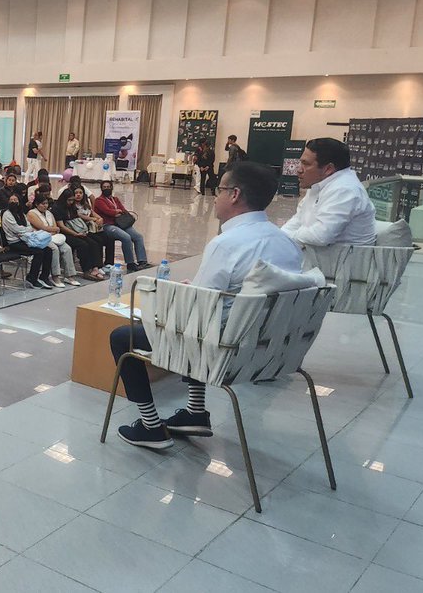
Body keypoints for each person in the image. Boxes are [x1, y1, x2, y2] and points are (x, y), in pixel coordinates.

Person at [110, 162, 303, 449]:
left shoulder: (227, 243)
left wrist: (175, 296)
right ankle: (195, 412)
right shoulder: (287, 242)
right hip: (268, 350)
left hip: (223, 350)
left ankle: (150, 426)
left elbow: (198, 309)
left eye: (220, 190)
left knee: (123, 336)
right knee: (200, 320)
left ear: (235, 195)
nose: (214, 197)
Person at [281, 138, 376, 247]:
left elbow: (320, 236)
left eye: (306, 164)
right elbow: (298, 220)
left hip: (343, 257)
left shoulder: (345, 190)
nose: (299, 170)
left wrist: (287, 238)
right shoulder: (319, 184)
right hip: (320, 255)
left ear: (328, 169)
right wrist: (279, 237)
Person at [93, 180, 150, 271]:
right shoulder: (99, 200)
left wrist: (118, 212)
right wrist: (116, 212)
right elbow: (107, 211)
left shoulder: (115, 199)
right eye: (104, 187)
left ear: (111, 188)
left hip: (121, 224)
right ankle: (130, 263)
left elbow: (123, 210)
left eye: (108, 187)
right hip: (108, 225)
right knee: (126, 237)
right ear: (101, 189)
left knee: (138, 237)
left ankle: (142, 261)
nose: (107, 189)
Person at [52, 188, 105, 281]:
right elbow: (62, 226)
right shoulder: (57, 208)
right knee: (83, 245)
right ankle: (86, 270)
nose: (71, 202)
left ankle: (95, 268)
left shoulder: (72, 207)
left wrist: (80, 232)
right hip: (65, 233)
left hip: (76, 231)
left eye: (72, 200)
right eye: (69, 200)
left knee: (93, 243)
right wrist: (75, 234)